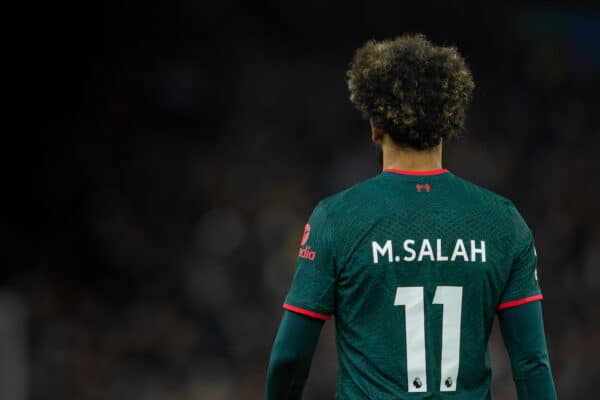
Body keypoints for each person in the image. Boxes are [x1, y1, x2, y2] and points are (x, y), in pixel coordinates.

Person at [266, 34, 557, 400]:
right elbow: (531, 363)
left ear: (375, 124)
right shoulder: (502, 221)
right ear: (449, 122)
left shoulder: (335, 219)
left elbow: (289, 358)